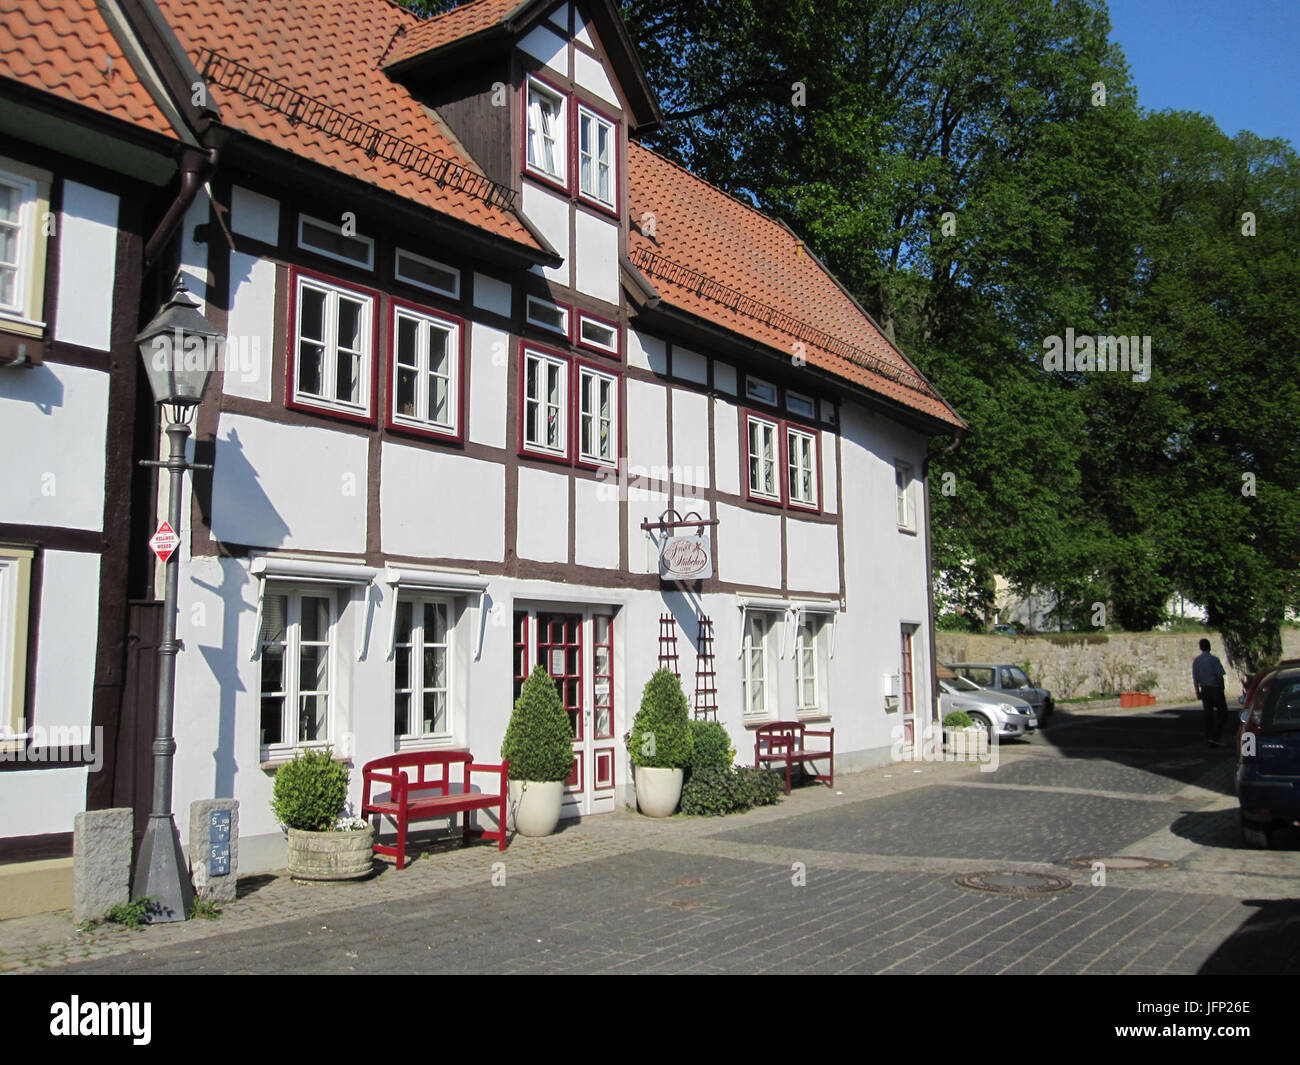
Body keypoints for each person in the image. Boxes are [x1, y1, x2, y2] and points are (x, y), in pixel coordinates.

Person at [1193, 638, 1229, 746]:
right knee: (1222, 713)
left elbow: (1196, 679)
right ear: (1209, 646)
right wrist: (1222, 689)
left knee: (1208, 714)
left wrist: (1197, 692)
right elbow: (1219, 676)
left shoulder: (1197, 661)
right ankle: (1216, 735)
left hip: (1204, 689)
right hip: (1215, 688)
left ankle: (1209, 737)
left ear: (1200, 647)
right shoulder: (1214, 659)